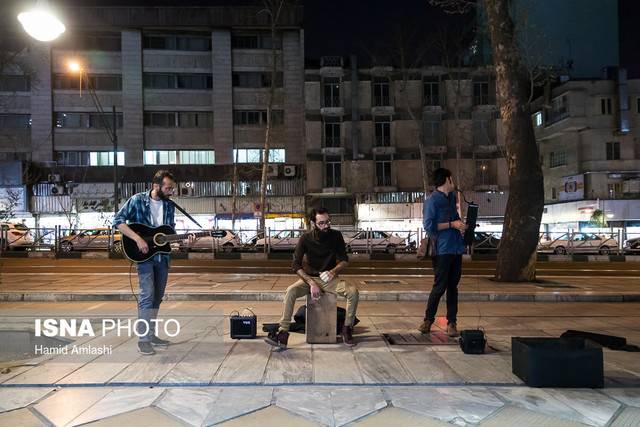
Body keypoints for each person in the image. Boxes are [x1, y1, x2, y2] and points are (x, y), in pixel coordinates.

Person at [113, 170, 193, 355]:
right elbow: (118, 221)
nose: (171, 191)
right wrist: (138, 239)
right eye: (168, 188)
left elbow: (166, 234)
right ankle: (144, 340)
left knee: (157, 297)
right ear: (156, 186)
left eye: (172, 188)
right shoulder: (137, 200)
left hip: (162, 257)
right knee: (147, 296)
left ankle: (151, 334)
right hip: (144, 257)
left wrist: (183, 239)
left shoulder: (169, 205)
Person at [265, 207, 359, 349]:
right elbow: (295, 265)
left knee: (353, 292)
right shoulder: (305, 238)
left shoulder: (336, 236)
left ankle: (347, 329)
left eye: (328, 222)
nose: (326, 226)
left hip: (329, 279)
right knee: (290, 291)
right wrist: (310, 282)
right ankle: (283, 333)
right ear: (313, 223)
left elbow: (344, 259)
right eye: (321, 223)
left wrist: (333, 272)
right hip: (309, 279)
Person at [419, 168, 467, 337]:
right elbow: (429, 226)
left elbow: (455, 219)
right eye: (452, 178)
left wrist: (460, 226)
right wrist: (451, 224)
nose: (453, 182)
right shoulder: (432, 200)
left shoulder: (452, 197)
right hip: (442, 249)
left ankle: (452, 322)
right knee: (439, 287)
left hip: (456, 248)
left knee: (453, 287)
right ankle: (428, 320)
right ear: (447, 180)